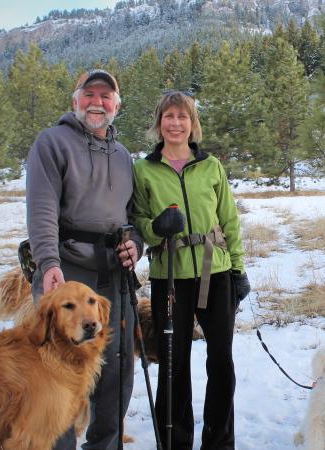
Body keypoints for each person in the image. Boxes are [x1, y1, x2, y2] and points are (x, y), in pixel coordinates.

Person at [26, 69, 141, 450]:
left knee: (116, 371)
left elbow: (133, 218)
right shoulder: (52, 143)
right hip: (67, 271)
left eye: (106, 96)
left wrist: (136, 244)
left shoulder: (124, 156)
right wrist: (48, 263)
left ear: (117, 106)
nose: (97, 101)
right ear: (74, 101)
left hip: (113, 276)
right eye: (89, 94)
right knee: (58, 372)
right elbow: (41, 208)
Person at [131, 91, 251, 450]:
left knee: (221, 362)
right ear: (159, 123)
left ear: (192, 123)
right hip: (169, 276)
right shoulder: (144, 169)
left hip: (215, 272)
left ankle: (219, 441)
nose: (175, 123)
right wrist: (156, 227)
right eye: (169, 116)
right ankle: (174, 441)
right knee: (173, 363)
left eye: (182, 117)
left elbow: (229, 220)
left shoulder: (211, 166)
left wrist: (239, 270)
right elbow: (136, 219)